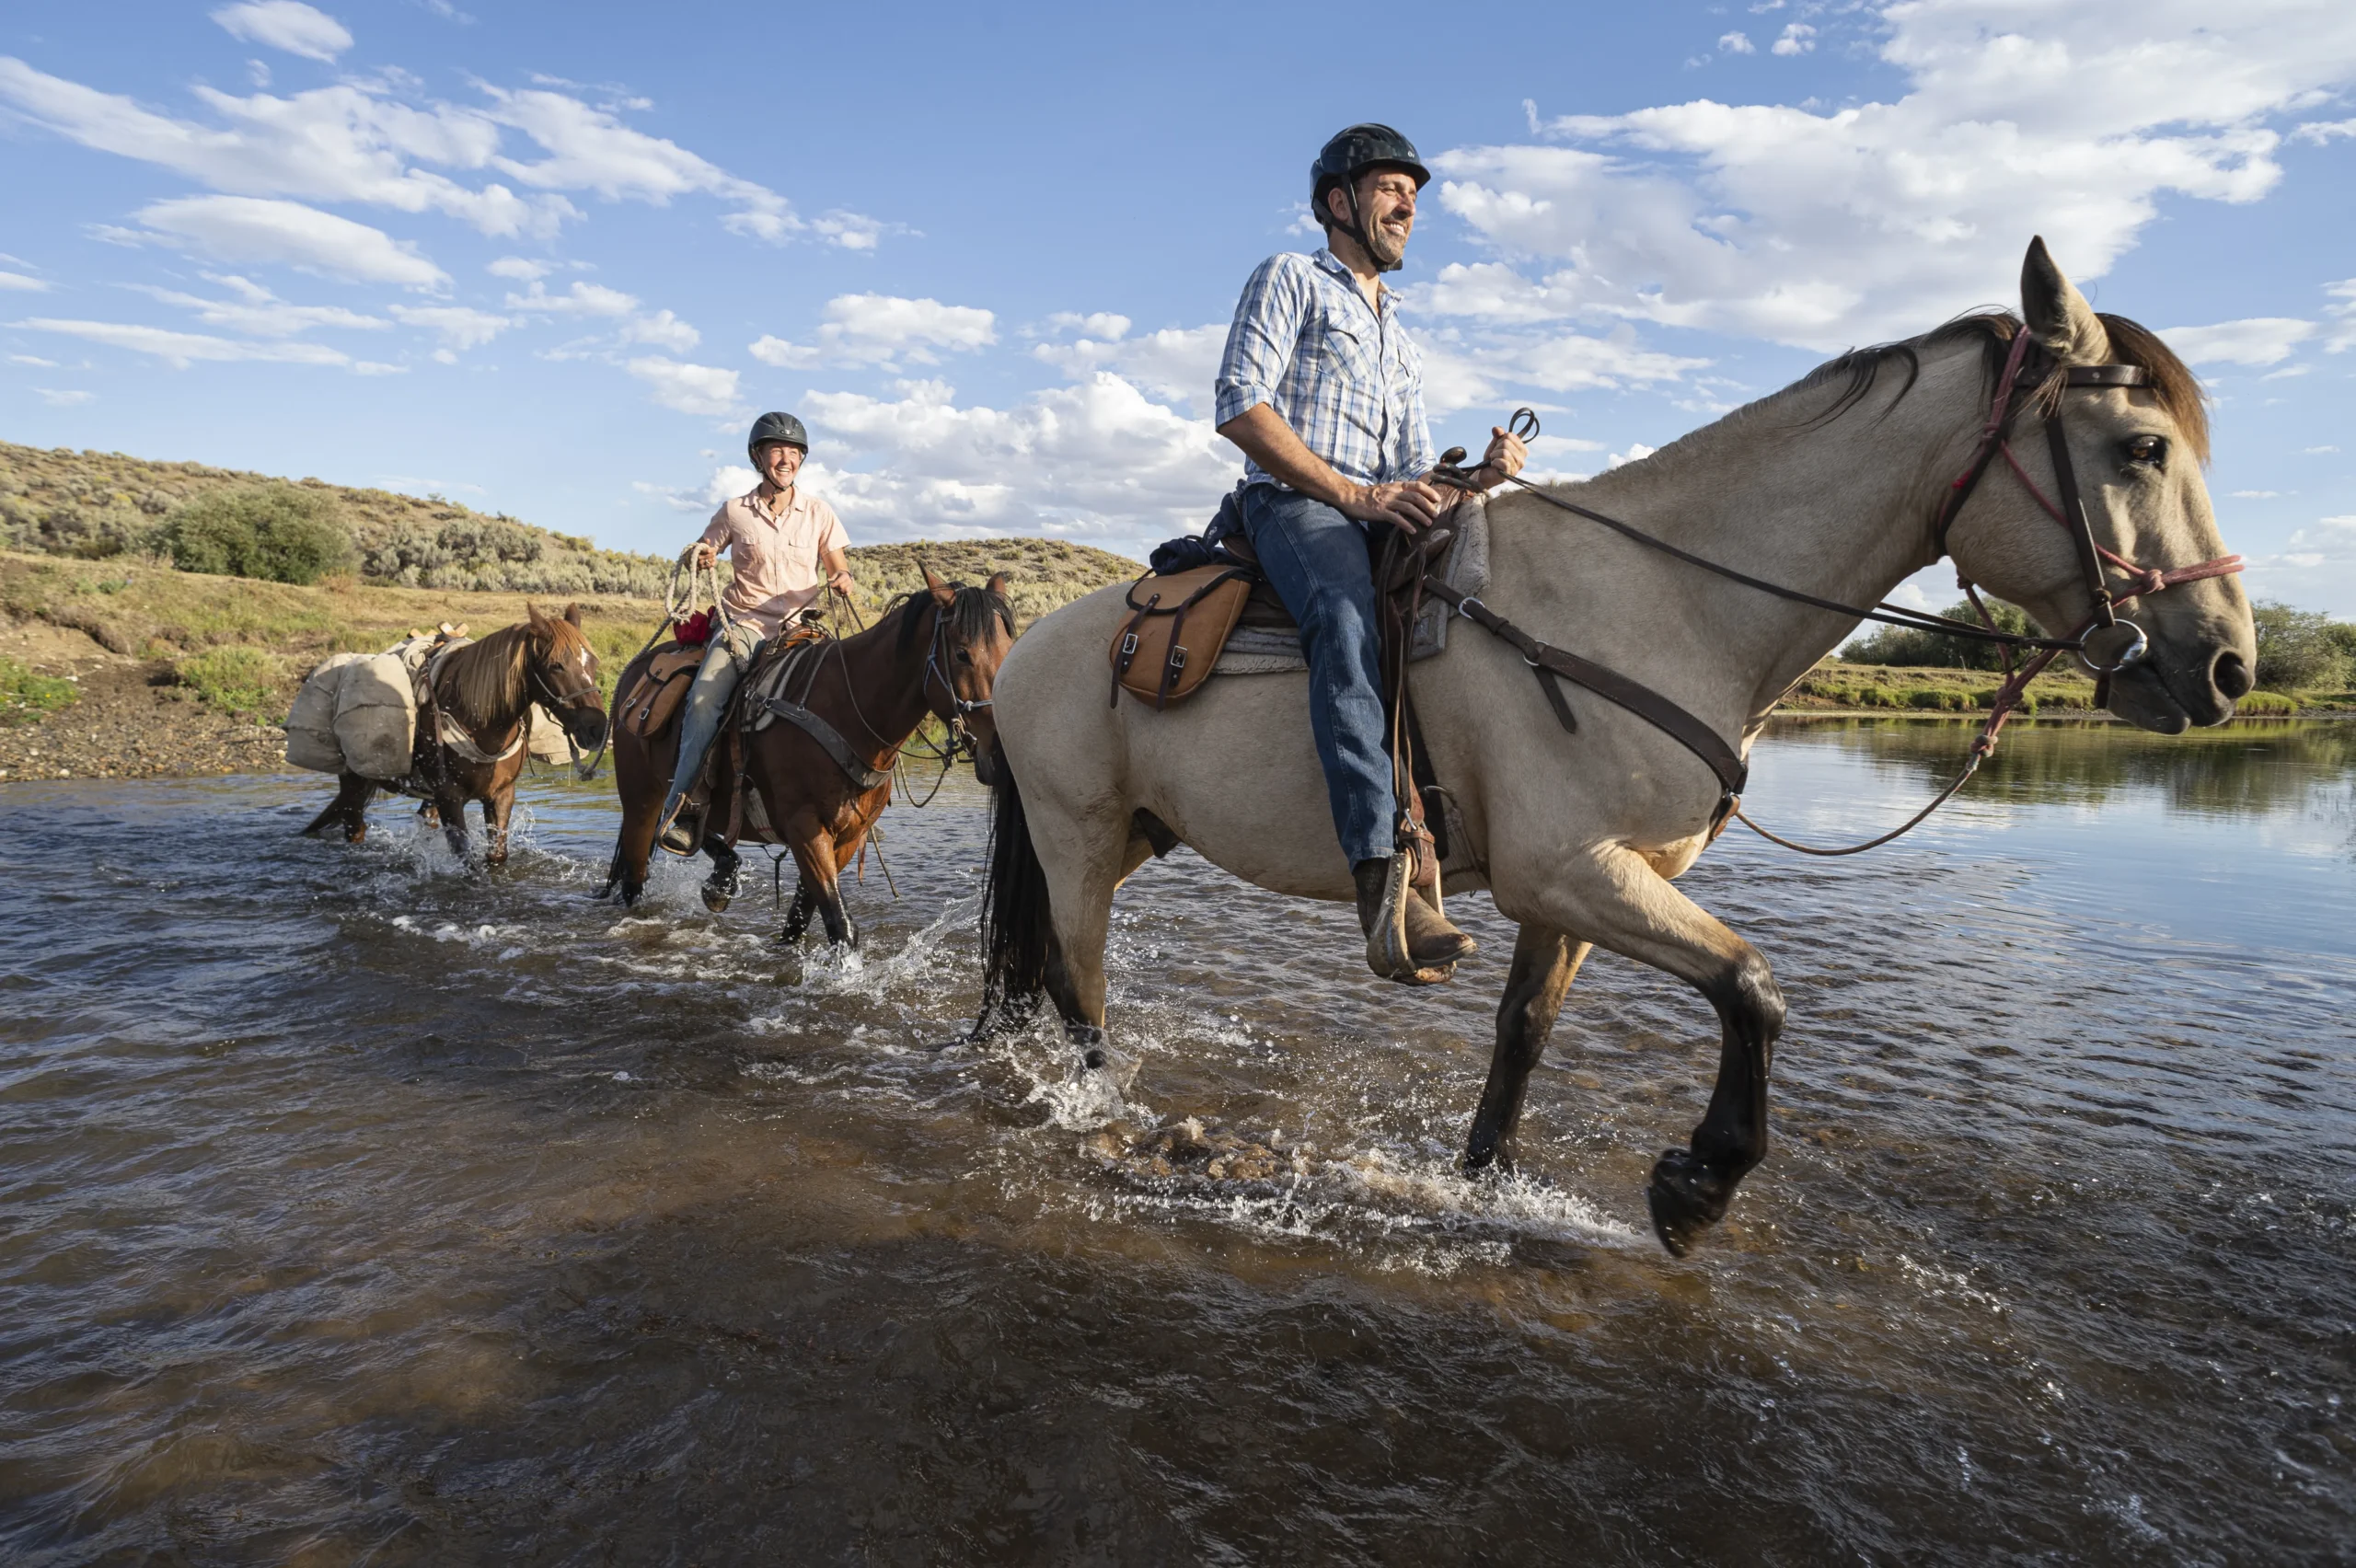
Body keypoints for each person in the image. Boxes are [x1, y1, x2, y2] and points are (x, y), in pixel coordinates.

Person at [1212, 123, 1528, 976]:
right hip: (1295, 505)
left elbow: (1408, 474)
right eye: (1392, 189)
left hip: (1377, 507)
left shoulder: (1400, 333)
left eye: (1415, 196)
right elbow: (1241, 404)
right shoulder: (1290, 277)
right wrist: (1354, 495)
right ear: (1337, 202)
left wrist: (1480, 480)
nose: (1408, 207)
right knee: (1348, 620)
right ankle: (1381, 876)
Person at [656, 410, 854, 852]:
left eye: (794, 452)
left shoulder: (819, 513)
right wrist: (704, 556)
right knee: (705, 699)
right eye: (777, 451)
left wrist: (842, 577)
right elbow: (705, 548)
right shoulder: (734, 511)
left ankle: (855, 799)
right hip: (744, 625)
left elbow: (837, 562)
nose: (786, 459)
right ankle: (683, 806)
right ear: (758, 456)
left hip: (802, 630)